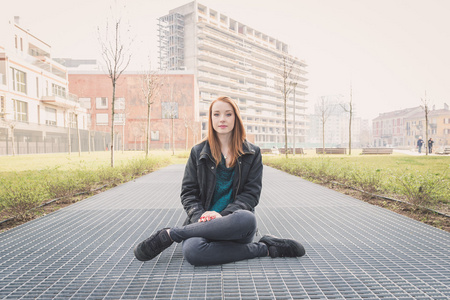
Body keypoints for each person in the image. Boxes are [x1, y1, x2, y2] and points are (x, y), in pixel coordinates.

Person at [134, 96, 306, 266]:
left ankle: (171, 234)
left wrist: (221, 216)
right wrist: (201, 216)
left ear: (236, 118)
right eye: (216, 114)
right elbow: (188, 193)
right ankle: (265, 249)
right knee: (192, 252)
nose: (222, 119)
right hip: (202, 224)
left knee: (247, 219)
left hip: (236, 225)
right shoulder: (198, 152)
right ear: (210, 119)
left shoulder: (252, 153)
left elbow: (251, 195)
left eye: (228, 114)